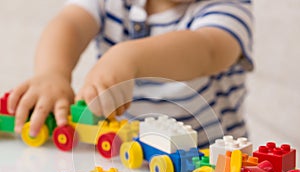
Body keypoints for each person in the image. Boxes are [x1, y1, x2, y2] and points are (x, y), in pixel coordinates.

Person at [8, 0, 253, 148]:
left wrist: (127, 58)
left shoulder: (227, 7)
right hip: (125, 153)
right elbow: (69, 23)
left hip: (208, 164)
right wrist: (53, 72)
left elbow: (206, 51)